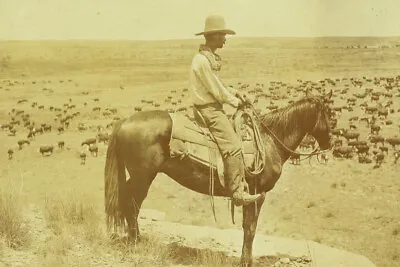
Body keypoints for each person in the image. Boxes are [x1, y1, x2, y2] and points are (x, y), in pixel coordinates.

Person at [189, 14, 262, 206]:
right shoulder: (202, 62)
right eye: (222, 34)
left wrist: (236, 93)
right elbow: (216, 91)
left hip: (212, 106)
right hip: (209, 110)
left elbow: (218, 85)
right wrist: (235, 102)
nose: (225, 39)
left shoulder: (205, 59)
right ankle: (237, 192)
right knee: (234, 145)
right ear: (212, 36)